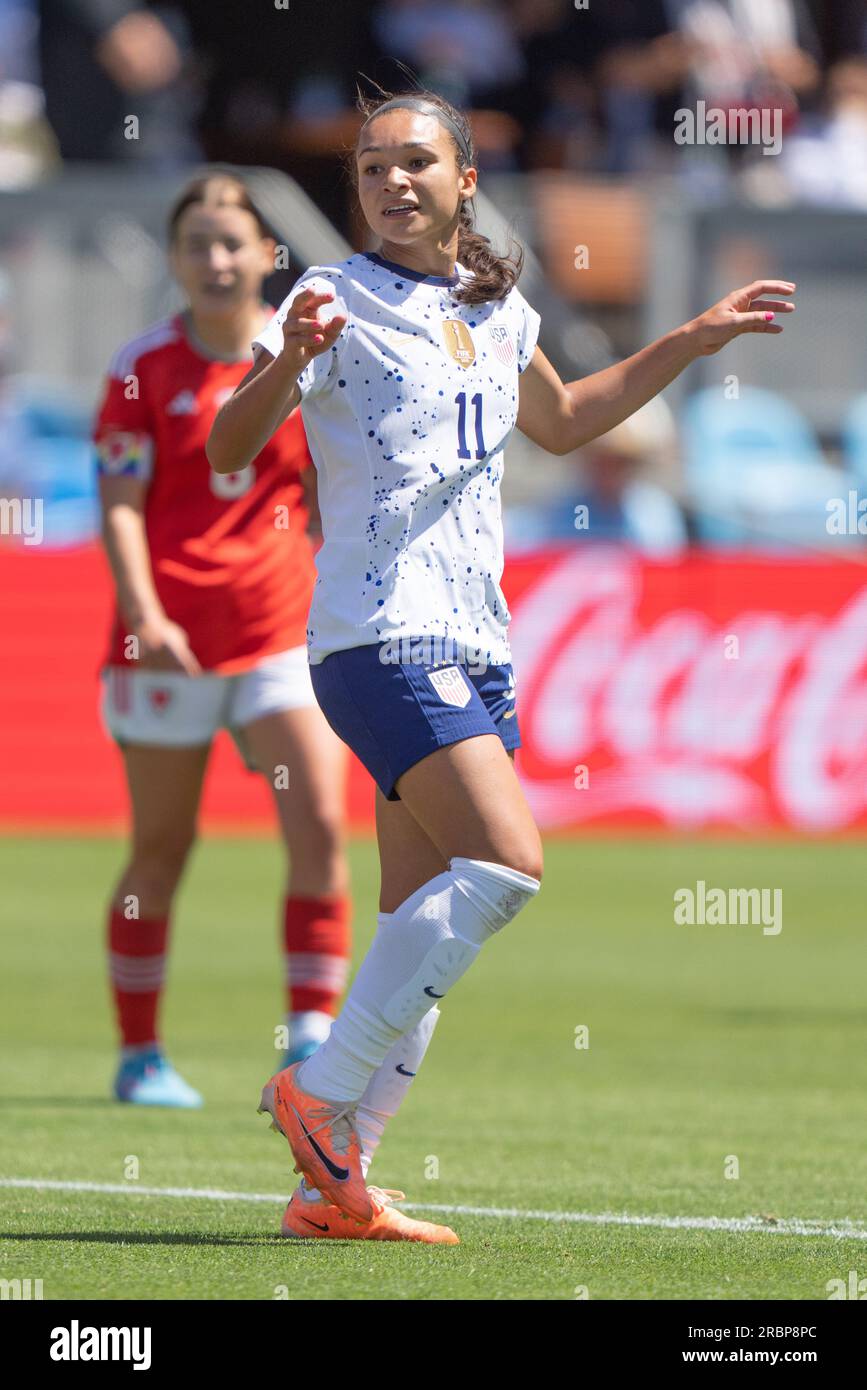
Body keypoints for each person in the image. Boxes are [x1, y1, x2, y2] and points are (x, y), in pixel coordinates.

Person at [207, 85, 794, 1242]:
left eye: (414, 162)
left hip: (476, 638)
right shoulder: (330, 297)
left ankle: (342, 1184)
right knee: (509, 863)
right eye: (372, 166)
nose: (390, 182)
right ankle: (319, 1094)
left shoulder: (497, 303)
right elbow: (232, 446)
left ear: (464, 179)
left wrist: (691, 337)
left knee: (419, 910)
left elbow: (569, 421)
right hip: (381, 631)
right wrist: (286, 365)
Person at [95, 174, 352, 1109]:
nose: (216, 259)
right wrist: (143, 613)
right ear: (174, 258)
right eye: (197, 243)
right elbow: (118, 505)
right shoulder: (142, 369)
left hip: (279, 634)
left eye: (232, 242)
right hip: (165, 645)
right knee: (161, 849)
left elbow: (326, 488)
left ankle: (311, 1051)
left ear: (264, 255)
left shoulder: (304, 354)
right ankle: (139, 1055)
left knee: (320, 824)